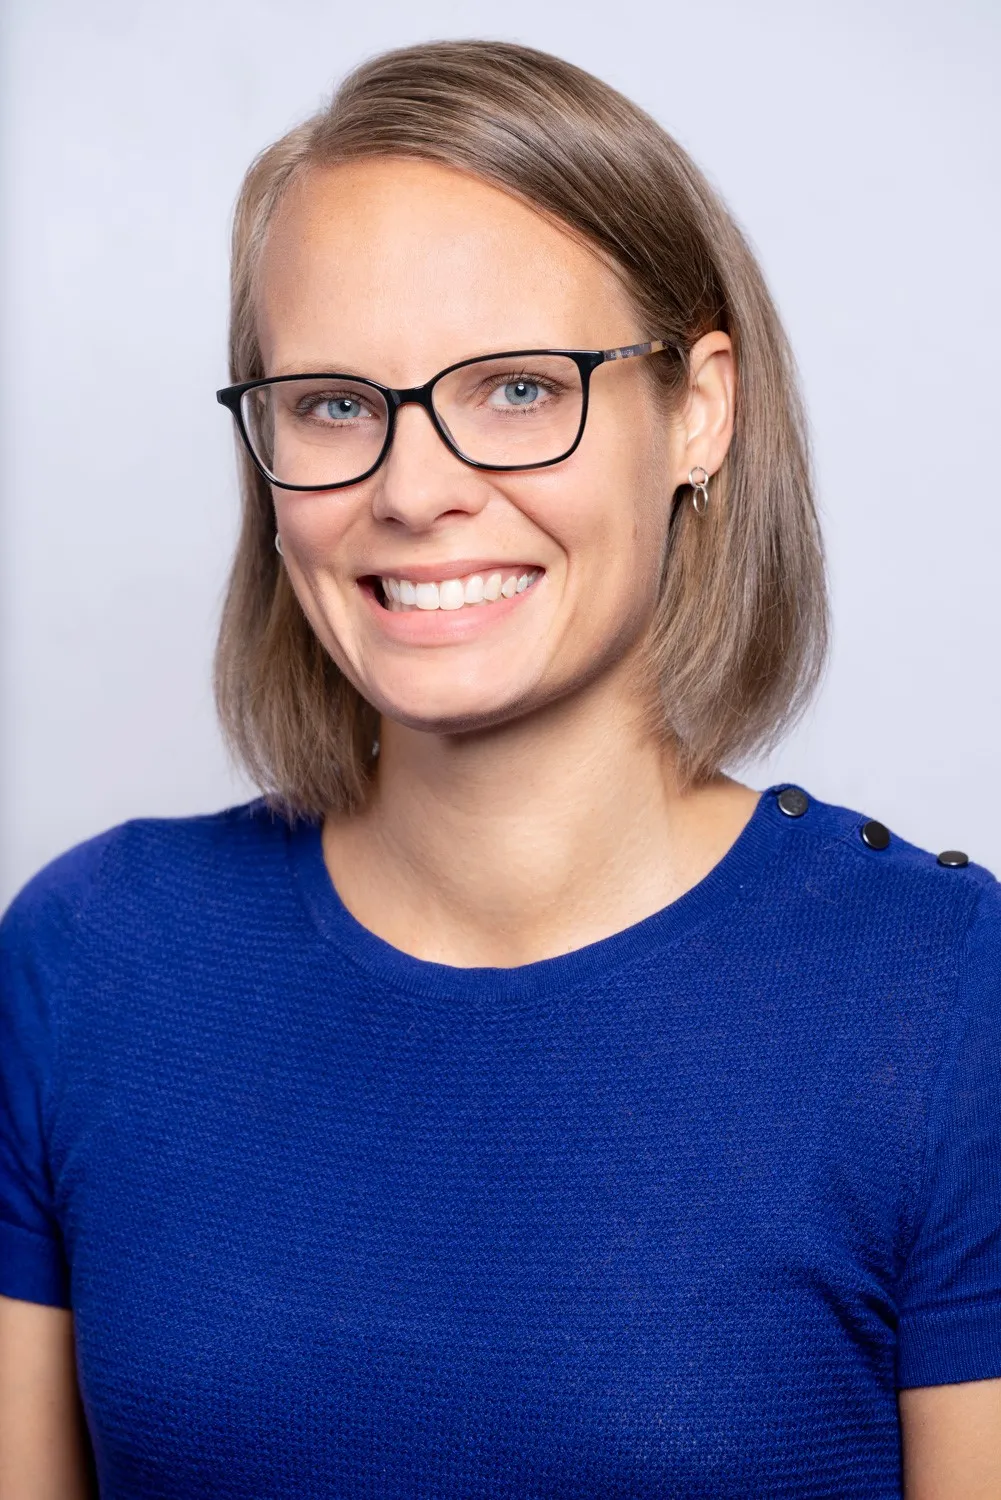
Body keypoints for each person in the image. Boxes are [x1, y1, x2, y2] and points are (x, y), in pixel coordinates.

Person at [1, 38, 998, 1500]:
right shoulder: (88, 962)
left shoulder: (947, 1001)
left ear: (699, 409)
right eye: (334, 403)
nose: (414, 490)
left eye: (521, 388)